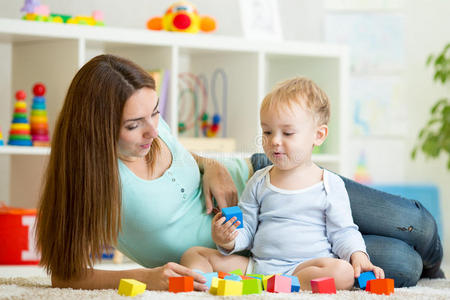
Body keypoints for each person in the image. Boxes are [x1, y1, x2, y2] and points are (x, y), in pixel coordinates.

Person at [35, 54, 442, 291]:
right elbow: (65, 274)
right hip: (252, 253)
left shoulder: (153, 129)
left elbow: (181, 158)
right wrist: (146, 275)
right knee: (400, 266)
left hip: (265, 176)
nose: (152, 130)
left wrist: (210, 164)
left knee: (415, 225)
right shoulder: (93, 183)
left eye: (155, 114)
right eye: (133, 125)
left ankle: (435, 264)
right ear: (97, 127)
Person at [180, 77, 384, 290]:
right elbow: (247, 229)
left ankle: (285, 285)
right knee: (193, 254)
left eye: (287, 133)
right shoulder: (259, 180)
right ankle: (214, 284)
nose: (275, 141)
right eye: (267, 132)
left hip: (305, 268)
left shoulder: (329, 184)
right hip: (258, 269)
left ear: (318, 135)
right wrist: (227, 239)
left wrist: (358, 255)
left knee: (343, 272)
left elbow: (343, 232)